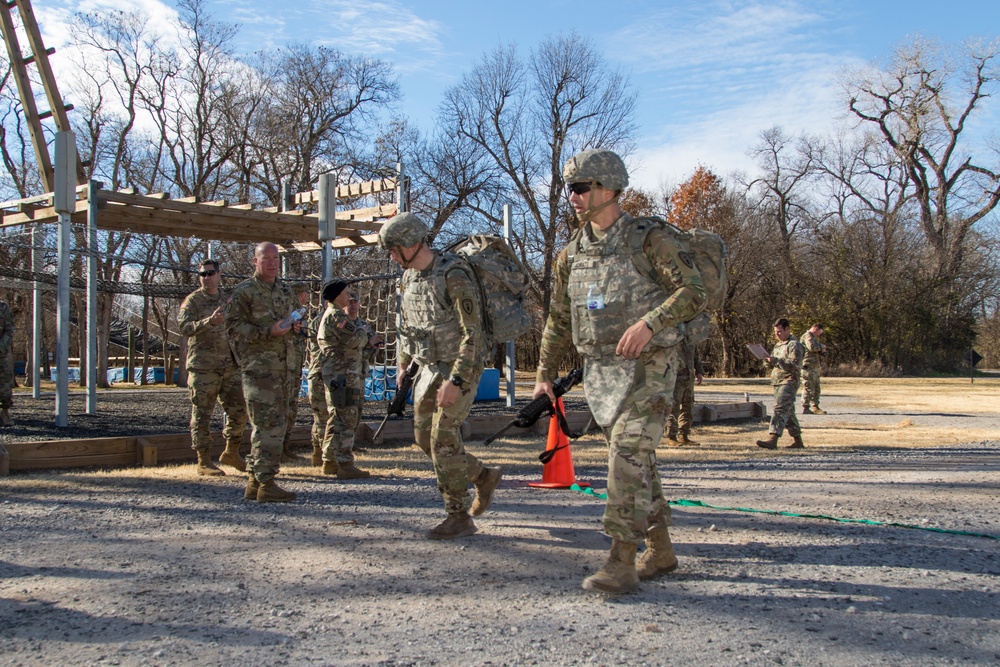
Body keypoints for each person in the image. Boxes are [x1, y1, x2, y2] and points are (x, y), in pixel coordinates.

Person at [532, 149, 706, 594]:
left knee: (626, 453)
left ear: (607, 189)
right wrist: (543, 374)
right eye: (569, 188)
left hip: (652, 362)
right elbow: (557, 318)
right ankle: (661, 550)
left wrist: (651, 323)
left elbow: (693, 291)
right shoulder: (571, 255)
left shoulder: (649, 239)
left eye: (579, 188)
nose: (571, 196)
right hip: (602, 370)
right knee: (638, 458)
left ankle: (621, 559)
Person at [377, 212, 503, 540]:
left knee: (443, 437)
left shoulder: (453, 274)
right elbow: (408, 327)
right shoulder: (407, 279)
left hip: (462, 365)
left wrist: (457, 380)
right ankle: (484, 476)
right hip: (429, 366)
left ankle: (457, 515)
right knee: (423, 438)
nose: (391, 255)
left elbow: (473, 334)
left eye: (393, 248)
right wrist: (403, 363)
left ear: (412, 243)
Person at [224, 242, 301, 503]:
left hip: (285, 367)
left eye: (275, 258)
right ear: (255, 262)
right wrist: (267, 331)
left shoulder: (285, 290)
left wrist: (296, 327)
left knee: (276, 425)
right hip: (259, 369)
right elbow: (233, 327)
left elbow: (291, 319)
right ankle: (266, 483)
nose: (271, 262)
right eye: (265, 258)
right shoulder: (245, 291)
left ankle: (255, 482)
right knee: (267, 425)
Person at [178, 259, 248, 475]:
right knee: (202, 414)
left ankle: (231, 451)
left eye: (211, 273)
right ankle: (203, 460)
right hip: (203, 367)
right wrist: (209, 322)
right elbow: (184, 327)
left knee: (240, 411)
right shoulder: (193, 301)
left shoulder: (227, 300)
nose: (207, 277)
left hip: (229, 366)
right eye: (203, 274)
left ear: (219, 274)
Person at [316, 280, 381, 479]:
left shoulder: (336, 315)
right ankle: (344, 463)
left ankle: (330, 460)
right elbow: (355, 340)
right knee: (346, 417)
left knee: (338, 416)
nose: (348, 296)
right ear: (337, 296)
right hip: (342, 374)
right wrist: (363, 333)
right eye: (346, 293)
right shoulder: (337, 316)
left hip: (343, 373)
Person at [756, 318, 805, 450]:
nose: (777, 334)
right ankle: (798, 441)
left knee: (779, 408)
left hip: (789, 381)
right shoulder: (778, 345)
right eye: (776, 332)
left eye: (779, 331)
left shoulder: (794, 345)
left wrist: (777, 360)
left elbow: (795, 364)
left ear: (787, 329)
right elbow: (774, 363)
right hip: (778, 381)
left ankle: (773, 438)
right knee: (788, 412)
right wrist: (767, 360)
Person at [279, 282, 311, 462]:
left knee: (292, 408)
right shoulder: (287, 314)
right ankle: (279, 448)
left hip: (295, 367)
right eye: (305, 292)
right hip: (285, 367)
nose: (307, 296)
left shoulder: (301, 313)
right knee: (283, 408)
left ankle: (285, 446)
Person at [666, 342, 704, 447]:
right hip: (675, 378)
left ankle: (684, 435)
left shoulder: (691, 338)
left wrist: (699, 372)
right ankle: (671, 437)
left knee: (688, 406)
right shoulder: (672, 338)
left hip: (689, 377)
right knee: (673, 408)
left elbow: (696, 355)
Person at [800, 323, 826, 414]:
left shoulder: (813, 338)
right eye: (819, 332)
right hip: (808, 366)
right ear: (815, 328)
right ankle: (805, 407)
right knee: (808, 387)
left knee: (816, 387)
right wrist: (821, 347)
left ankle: (815, 406)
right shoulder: (808, 336)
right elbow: (811, 347)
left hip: (814, 366)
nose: (819, 334)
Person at [0, 298, 13, 427]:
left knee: (4, 386)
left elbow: (9, 330)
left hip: (0, 355)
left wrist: (1, 346)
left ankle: (5, 411)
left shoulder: (3, 307)